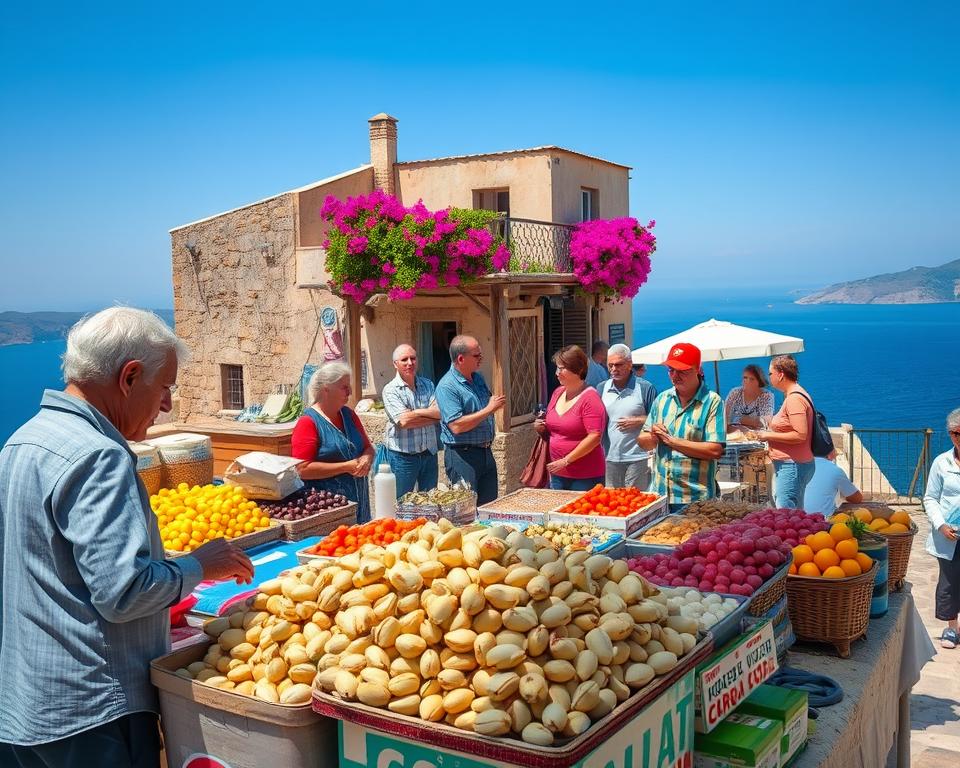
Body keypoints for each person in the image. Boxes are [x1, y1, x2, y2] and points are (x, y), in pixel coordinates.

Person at [0, 307, 254, 767]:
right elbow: (123, 592)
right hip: (94, 713)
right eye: (165, 387)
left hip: (23, 708)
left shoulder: (21, 441)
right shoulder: (99, 456)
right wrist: (200, 564)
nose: (167, 405)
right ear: (129, 376)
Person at [638, 342, 726, 514]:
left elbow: (715, 450)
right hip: (660, 496)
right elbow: (643, 441)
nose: (675, 376)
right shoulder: (662, 399)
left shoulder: (712, 402)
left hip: (695, 500)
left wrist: (672, 441)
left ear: (698, 370)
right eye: (671, 370)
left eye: (682, 371)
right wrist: (654, 437)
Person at [292, 361, 375, 522]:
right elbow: (302, 469)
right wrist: (345, 467)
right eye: (344, 387)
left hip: (359, 504)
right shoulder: (308, 422)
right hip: (329, 510)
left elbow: (367, 447)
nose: (350, 391)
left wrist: (367, 458)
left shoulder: (348, 415)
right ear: (326, 389)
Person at [435, 335, 505, 504]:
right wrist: (489, 409)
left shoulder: (477, 378)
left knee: (489, 508)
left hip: (485, 452)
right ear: (461, 358)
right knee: (466, 510)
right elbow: (456, 426)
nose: (481, 359)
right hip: (462, 456)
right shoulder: (447, 386)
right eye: (476, 356)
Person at [533, 345, 606, 490]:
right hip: (558, 472)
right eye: (557, 368)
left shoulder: (590, 398)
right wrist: (540, 426)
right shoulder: (558, 393)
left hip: (585, 476)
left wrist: (566, 460)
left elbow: (594, 436)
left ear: (578, 369)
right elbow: (555, 426)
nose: (557, 373)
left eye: (561, 369)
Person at [747, 355, 815, 509]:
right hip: (795, 463)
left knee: (786, 514)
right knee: (796, 516)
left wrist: (767, 435)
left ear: (781, 374)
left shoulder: (794, 399)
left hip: (792, 465)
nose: (768, 377)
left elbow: (800, 434)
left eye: (770, 374)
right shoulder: (794, 395)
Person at [381, 344, 440, 498]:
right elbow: (404, 422)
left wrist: (415, 413)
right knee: (401, 503)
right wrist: (430, 416)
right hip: (403, 458)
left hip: (428, 454)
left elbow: (440, 413)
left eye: (413, 358)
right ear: (395, 364)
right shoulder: (390, 390)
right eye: (404, 359)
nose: (409, 363)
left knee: (429, 502)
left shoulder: (427, 385)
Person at [923, 408, 960, 649]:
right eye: (956, 433)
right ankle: (951, 629)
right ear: (950, 435)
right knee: (949, 582)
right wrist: (940, 524)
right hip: (950, 533)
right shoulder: (941, 462)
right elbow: (930, 498)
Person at [598, 343, 657, 489]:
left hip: (638, 458)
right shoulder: (601, 388)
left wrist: (640, 420)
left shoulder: (645, 388)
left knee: (634, 502)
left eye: (618, 365)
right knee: (613, 505)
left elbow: (659, 419)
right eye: (610, 365)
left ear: (630, 365)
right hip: (610, 458)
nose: (613, 369)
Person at [803, 451, 863, 516]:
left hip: (797, 520)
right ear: (830, 453)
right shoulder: (835, 470)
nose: (836, 454)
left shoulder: (800, 466)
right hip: (824, 521)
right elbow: (857, 498)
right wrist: (845, 496)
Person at [725, 364, 774, 431]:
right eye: (745, 378)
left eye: (752, 379)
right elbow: (724, 416)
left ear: (759, 381)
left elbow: (766, 422)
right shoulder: (735, 393)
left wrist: (739, 418)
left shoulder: (766, 395)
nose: (747, 381)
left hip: (758, 435)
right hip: (736, 434)